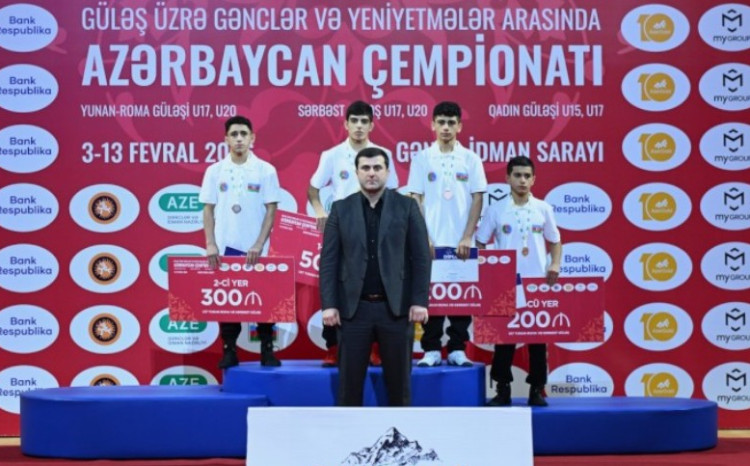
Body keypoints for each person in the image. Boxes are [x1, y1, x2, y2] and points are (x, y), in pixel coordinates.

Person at [319, 147, 431, 406]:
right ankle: (349, 432)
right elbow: (329, 261)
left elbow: (421, 257)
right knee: (348, 388)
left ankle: (399, 433)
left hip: (396, 310)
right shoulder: (340, 209)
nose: (372, 173)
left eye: (377, 168)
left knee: (399, 388)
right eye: (366, 168)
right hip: (353, 312)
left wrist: (419, 301)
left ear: (388, 172)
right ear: (357, 173)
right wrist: (329, 304)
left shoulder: (407, 206)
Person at [309, 100, 399, 368]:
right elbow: (313, 189)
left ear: (372, 125)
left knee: (375, 284)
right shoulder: (331, 155)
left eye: (364, 121)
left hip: (375, 226)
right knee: (337, 283)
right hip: (341, 226)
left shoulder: (383, 153)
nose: (359, 126)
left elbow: (392, 191)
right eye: (354, 121)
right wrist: (319, 211)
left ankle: (375, 348)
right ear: (345, 124)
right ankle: (333, 347)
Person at [476, 156, 562, 407]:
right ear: (507, 178)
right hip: (505, 284)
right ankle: (502, 390)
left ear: (534, 179)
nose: (522, 180)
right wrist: (489, 268)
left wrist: (555, 264)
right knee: (504, 339)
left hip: (537, 283)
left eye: (527, 176)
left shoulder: (543, 208)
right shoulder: (496, 209)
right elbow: (480, 241)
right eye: (517, 175)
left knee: (538, 340)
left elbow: (555, 241)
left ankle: (537, 389)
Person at [407, 101, 487, 367]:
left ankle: (456, 348)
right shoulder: (422, 158)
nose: (446, 127)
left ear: (459, 126)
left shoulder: (471, 159)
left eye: (451, 123)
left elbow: (478, 198)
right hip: (431, 241)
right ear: (432, 124)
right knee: (430, 295)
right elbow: (415, 198)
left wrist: (467, 236)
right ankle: (431, 348)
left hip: (461, 242)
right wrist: (424, 237)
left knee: (461, 296)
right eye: (441, 122)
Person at [200, 115, 282, 369]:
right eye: (234, 134)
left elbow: (271, 210)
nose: (239, 139)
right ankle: (229, 350)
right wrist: (211, 244)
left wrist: (259, 243)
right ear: (226, 139)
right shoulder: (214, 171)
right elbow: (208, 210)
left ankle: (267, 350)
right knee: (228, 299)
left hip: (257, 247)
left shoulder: (265, 170)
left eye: (243, 134)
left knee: (264, 300)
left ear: (252, 138)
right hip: (226, 245)